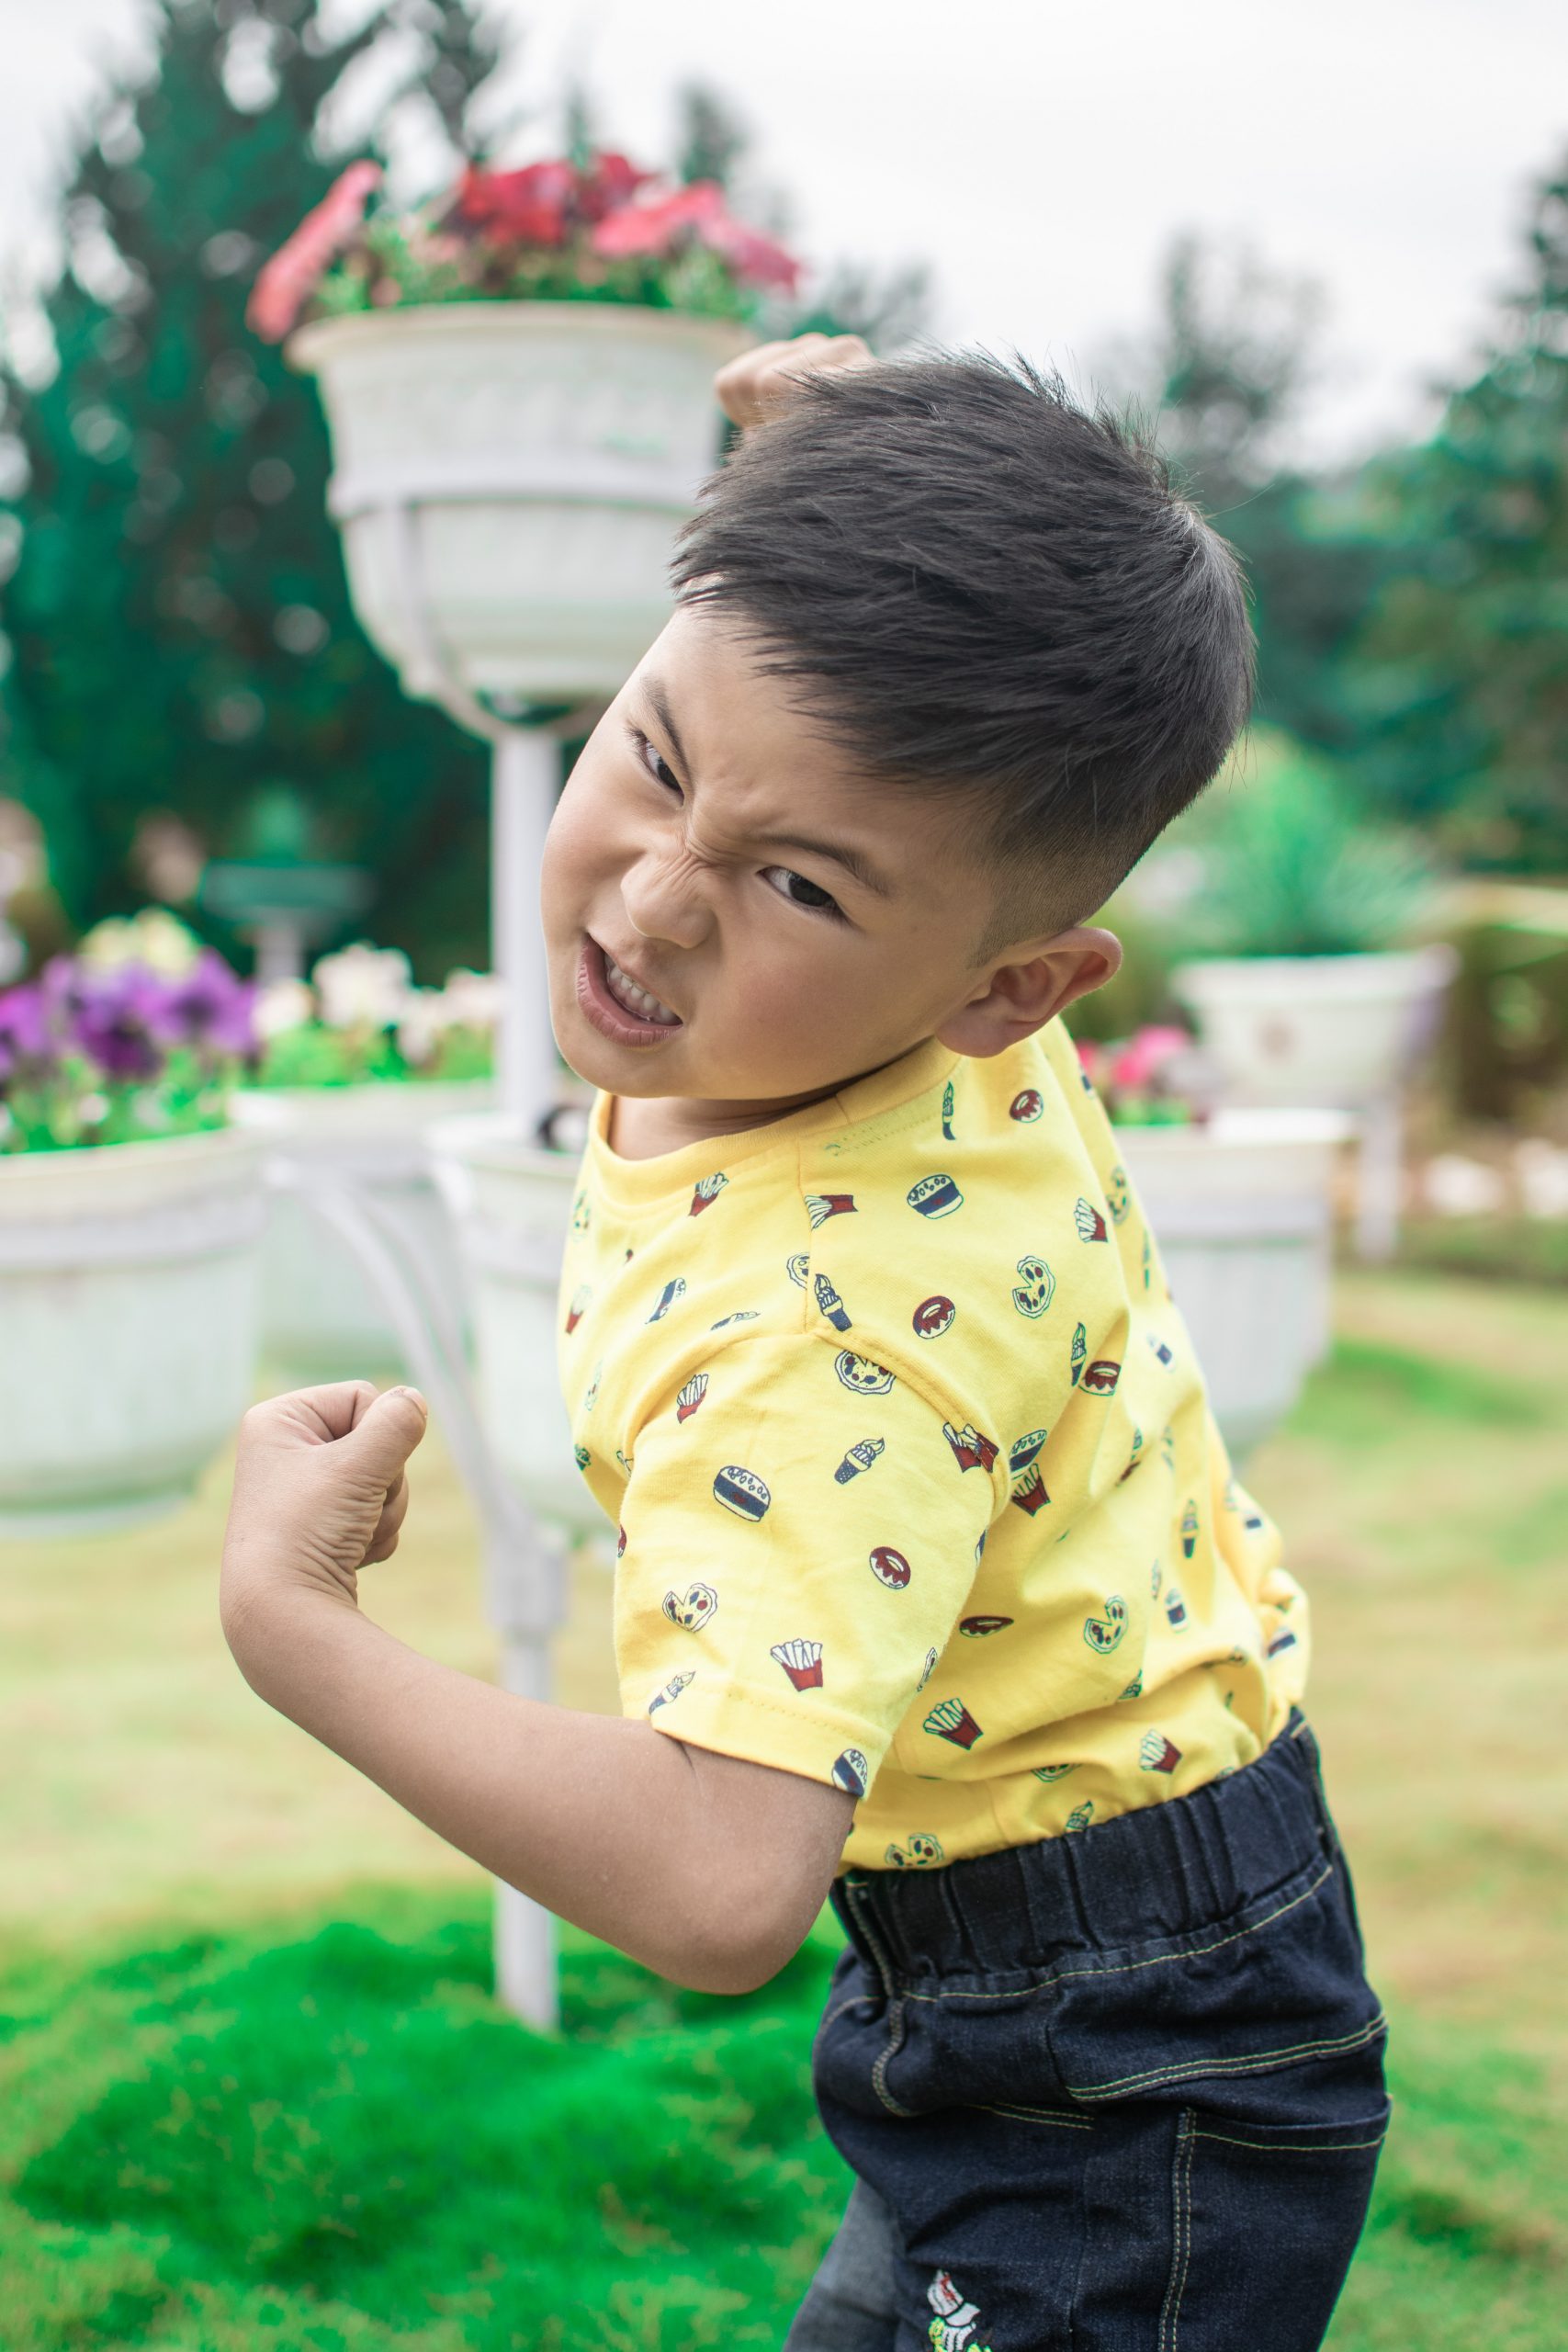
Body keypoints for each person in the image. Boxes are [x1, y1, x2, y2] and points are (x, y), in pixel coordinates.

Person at [220, 332, 1388, 2350]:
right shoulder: (897, 941)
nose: (654, 903)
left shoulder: (826, 1336)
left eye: (791, 883)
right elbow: (824, 666)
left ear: (1009, 989)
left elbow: (711, 1880)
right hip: (1075, 1931)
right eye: (656, 756)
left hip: (1118, 2089)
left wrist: (292, 1620)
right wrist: (823, 439)